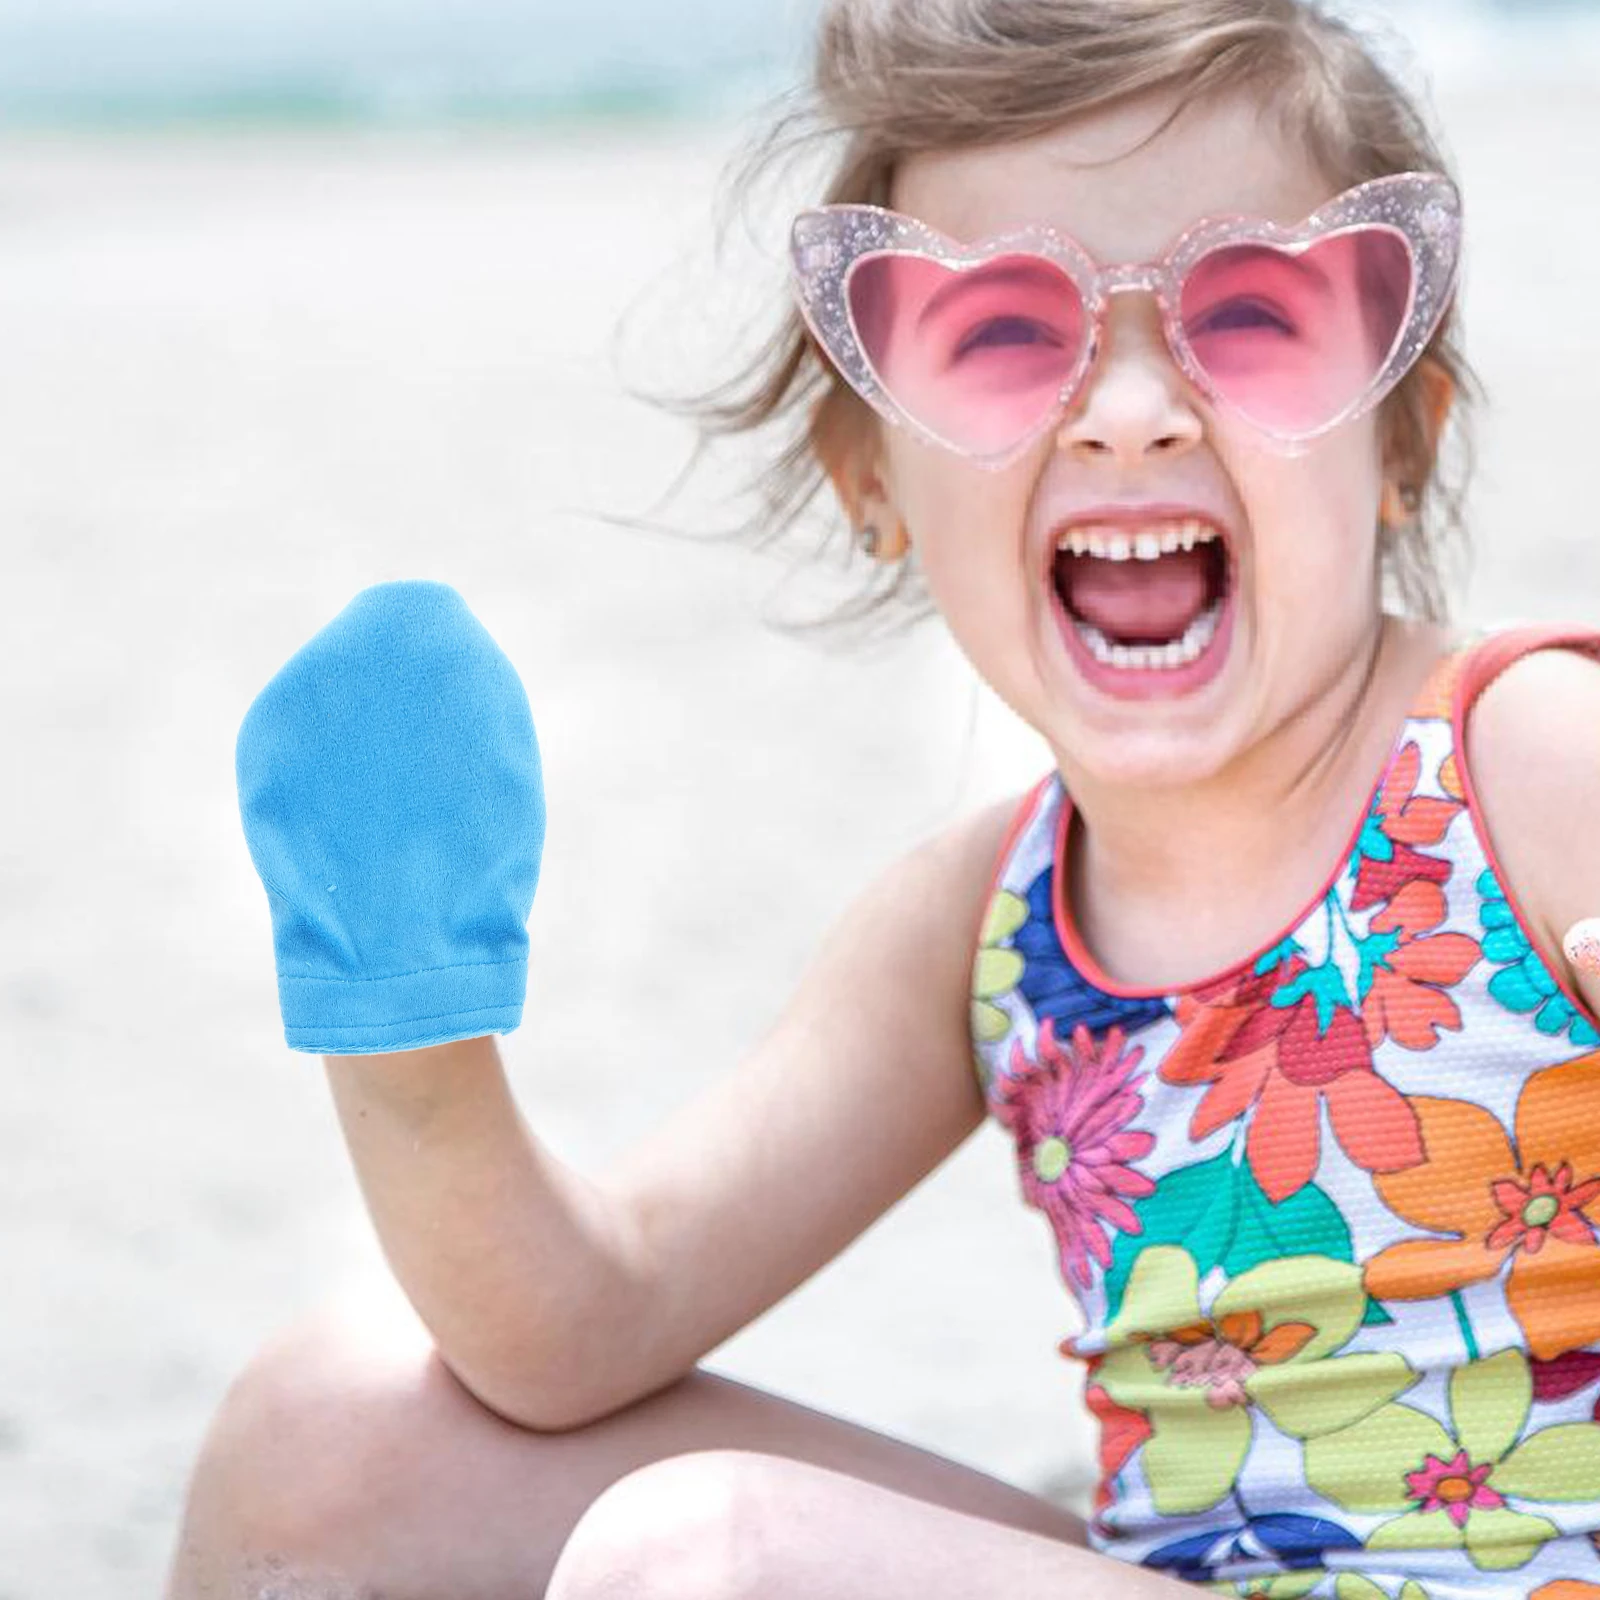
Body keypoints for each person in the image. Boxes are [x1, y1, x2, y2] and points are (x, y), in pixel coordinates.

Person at [164, 1, 1600, 1596]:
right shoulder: (984, 921)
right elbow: (584, 1324)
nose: (1130, 408)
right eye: (1002, 336)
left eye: (1250, 317)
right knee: (330, 1433)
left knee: (709, 1558)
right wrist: (412, 1047)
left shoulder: (1527, 761)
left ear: (1401, 429)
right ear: (873, 482)